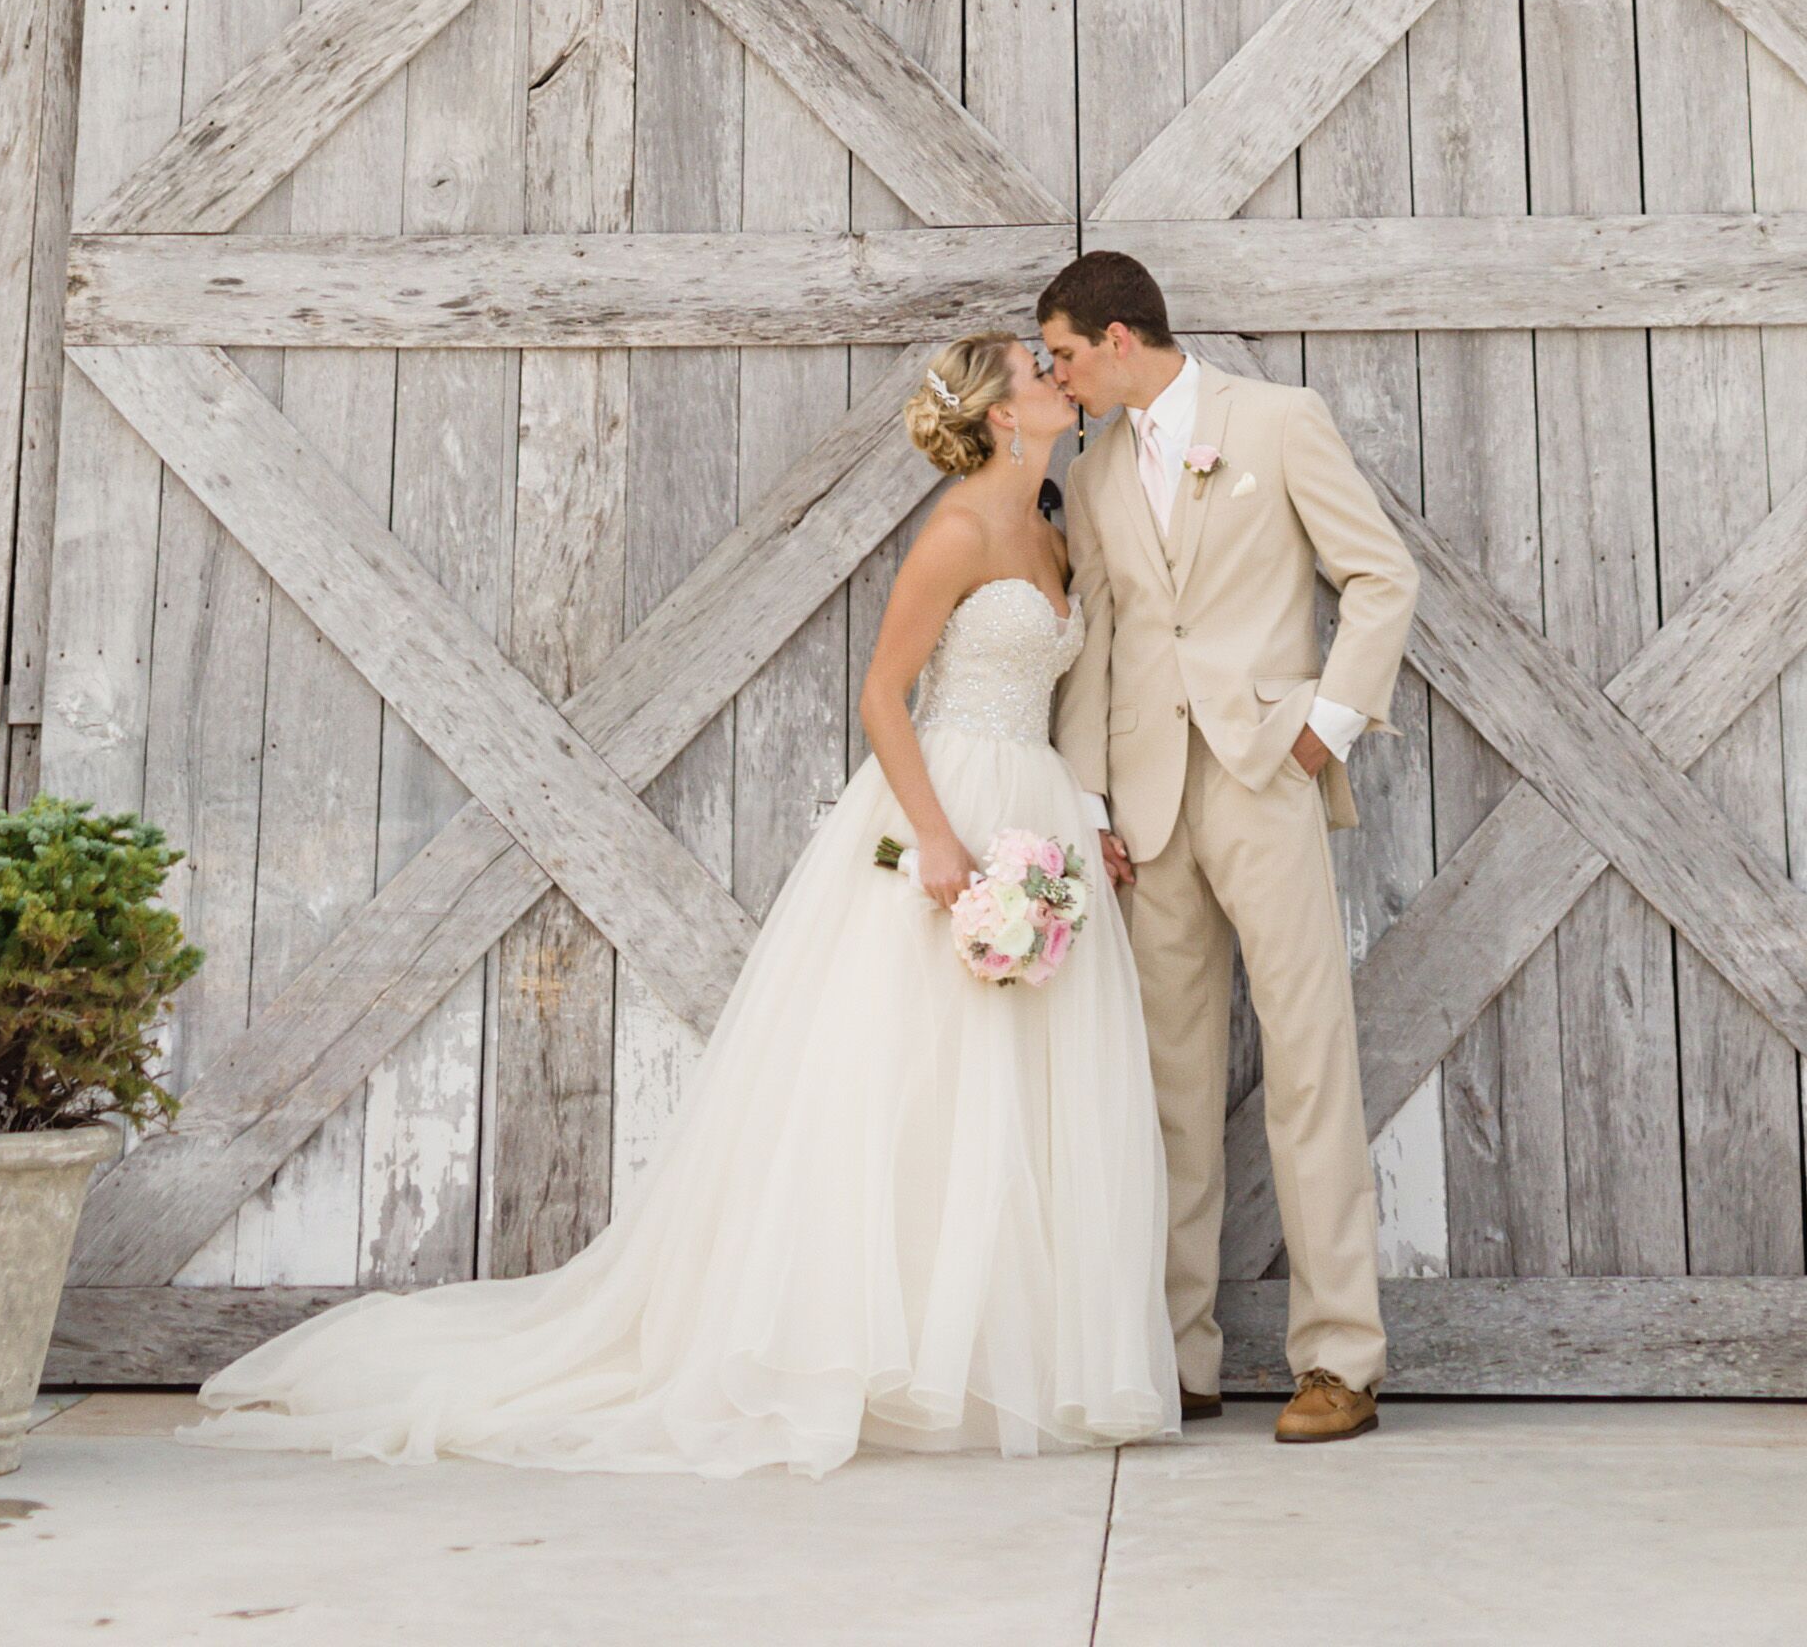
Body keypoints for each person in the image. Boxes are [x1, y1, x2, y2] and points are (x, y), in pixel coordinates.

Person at [192, 337, 1174, 1473]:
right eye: (1033, 367)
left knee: (1023, 1086)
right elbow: (882, 698)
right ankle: (866, 1350)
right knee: (906, 1081)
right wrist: (940, 844)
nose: (1056, 373)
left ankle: (1005, 1350)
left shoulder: (1054, 523)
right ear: (1003, 413)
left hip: (1034, 811)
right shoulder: (957, 529)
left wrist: (1082, 819)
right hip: (945, 810)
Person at [1035, 246, 1417, 1447]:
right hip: (1146, 815)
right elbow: (1097, 641)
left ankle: (1340, 1361)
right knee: (1169, 1091)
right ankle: (1177, 1357)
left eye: (1062, 357)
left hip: (1266, 779)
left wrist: (1323, 732)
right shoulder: (1091, 477)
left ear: (1117, 337)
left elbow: (1379, 575)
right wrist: (1091, 803)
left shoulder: (1279, 421)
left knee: (1311, 1066)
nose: (1057, 380)